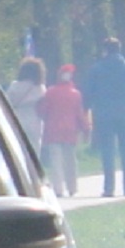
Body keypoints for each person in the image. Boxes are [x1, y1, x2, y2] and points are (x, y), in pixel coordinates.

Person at [81, 37, 125, 197]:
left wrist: (86, 109)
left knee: (107, 151)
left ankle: (109, 188)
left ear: (105, 50)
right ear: (119, 49)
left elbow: (88, 92)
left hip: (104, 115)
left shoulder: (96, 69)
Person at [36, 63, 90, 197]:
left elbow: (43, 110)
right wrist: (86, 129)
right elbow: (79, 114)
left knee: (56, 161)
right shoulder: (76, 94)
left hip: (53, 130)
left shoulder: (50, 92)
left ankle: (58, 189)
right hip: (70, 131)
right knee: (71, 160)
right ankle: (72, 188)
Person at [4, 57, 47, 151]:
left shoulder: (14, 86)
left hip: (17, 120)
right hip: (34, 121)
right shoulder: (40, 88)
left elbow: (7, 103)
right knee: (34, 151)